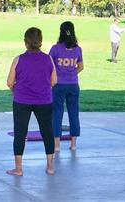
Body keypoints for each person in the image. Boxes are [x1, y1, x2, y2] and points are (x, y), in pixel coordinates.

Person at [6, 27, 57, 176]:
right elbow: (54, 80)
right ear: (40, 41)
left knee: (20, 133)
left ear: (25, 42)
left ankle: (19, 168)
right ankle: (50, 167)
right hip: (44, 100)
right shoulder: (48, 59)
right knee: (47, 131)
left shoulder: (18, 59)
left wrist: (17, 89)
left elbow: (9, 82)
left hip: (22, 100)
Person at [49, 21, 84, 151]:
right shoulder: (77, 49)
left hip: (58, 85)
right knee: (73, 113)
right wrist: (71, 73)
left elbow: (49, 65)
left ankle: (57, 145)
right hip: (73, 85)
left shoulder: (55, 48)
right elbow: (81, 67)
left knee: (57, 113)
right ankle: (73, 144)